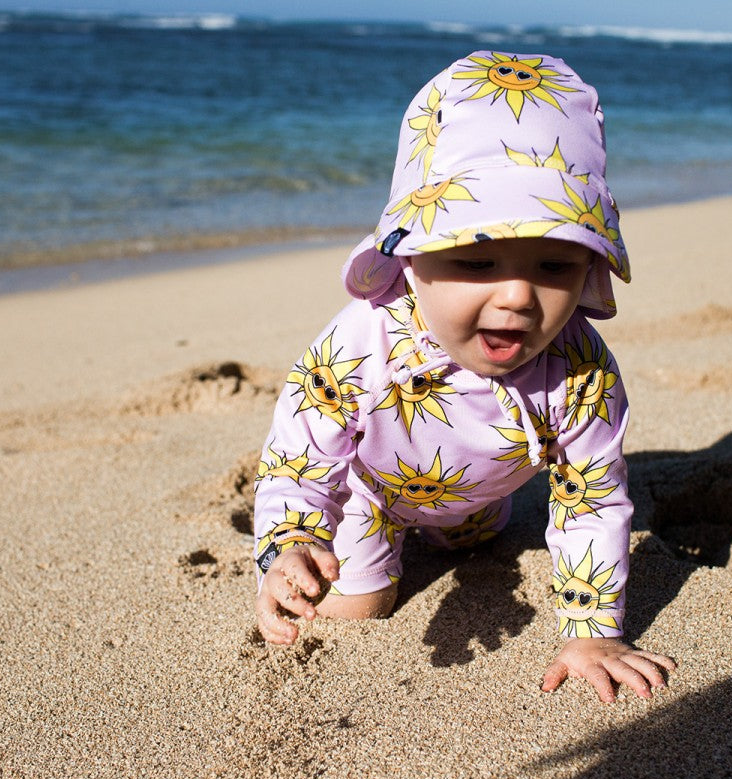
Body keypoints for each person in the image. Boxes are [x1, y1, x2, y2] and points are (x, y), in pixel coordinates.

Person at [252, 51, 674, 702]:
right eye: (477, 261)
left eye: (554, 265)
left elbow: (591, 498)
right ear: (411, 257)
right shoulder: (364, 339)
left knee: (476, 537)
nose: (517, 296)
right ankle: (358, 545)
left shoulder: (580, 370)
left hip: (479, 500)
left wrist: (594, 631)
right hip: (368, 489)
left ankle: (461, 520)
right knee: (356, 606)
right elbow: (302, 453)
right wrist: (292, 543)